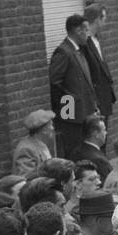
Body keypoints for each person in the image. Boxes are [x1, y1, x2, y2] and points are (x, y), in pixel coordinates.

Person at [48, 14, 96, 158]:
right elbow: (55, 84)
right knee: (73, 152)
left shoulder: (78, 50)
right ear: (77, 31)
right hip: (72, 118)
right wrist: (69, 112)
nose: (88, 34)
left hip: (83, 114)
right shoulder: (63, 52)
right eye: (86, 30)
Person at [81, 5, 116, 128]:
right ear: (97, 19)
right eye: (104, 18)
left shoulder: (96, 39)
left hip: (104, 99)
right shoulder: (84, 43)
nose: (105, 21)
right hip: (95, 102)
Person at [12, 110, 56, 177]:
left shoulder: (40, 144)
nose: (52, 128)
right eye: (50, 125)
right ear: (44, 130)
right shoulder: (26, 149)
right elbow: (27, 178)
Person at [75, 113, 111, 182]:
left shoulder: (76, 151)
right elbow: (106, 185)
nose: (106, 133)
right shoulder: (98, 160)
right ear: (96, 134)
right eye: (104, 130)